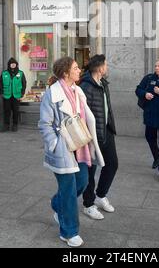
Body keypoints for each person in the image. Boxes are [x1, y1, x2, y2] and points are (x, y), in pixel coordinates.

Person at [38, 57, 104, 248]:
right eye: (75, 68)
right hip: (62, 149)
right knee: (68, 191)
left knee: (82, 182)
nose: (79, 70)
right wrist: (55, 143)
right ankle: (69, 232)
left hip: (80, 146)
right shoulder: (52, 93)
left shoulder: (77, 90)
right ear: (66, 73)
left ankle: (57, 204)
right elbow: (44, 124)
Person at [80, 54, 118, 220]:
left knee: (112, 164)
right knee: (90, 170)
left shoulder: (103, 83)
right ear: (100, 67)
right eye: (106, 65)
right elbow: (82, 115)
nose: (107, 67)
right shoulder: (85, 87)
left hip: (106, 131)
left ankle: (100, 195)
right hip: (92, 135)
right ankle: (88, 205)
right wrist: (88, 137)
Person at [0, 57, 26, 132]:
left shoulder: (20, 73)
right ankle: (6, 126)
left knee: (15, 111)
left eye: (14, 64)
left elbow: (24, 83)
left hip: (16, 95)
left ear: (16, 65)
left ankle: (15, 125)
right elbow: (0, 83)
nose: (13, 65)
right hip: (6, 95)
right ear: (9, 65)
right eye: (11, 64)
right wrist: (1, 93)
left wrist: (22, 94)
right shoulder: (4, 73)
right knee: (6, 111)